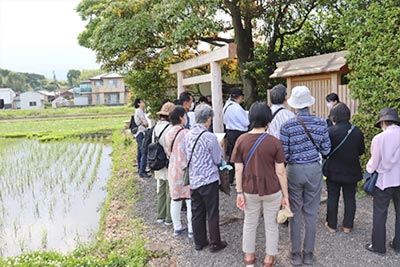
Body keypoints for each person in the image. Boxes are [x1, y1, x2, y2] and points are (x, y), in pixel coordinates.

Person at [231, 102, 290, 267]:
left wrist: (239, 192)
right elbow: (281, 172)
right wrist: (286, 196)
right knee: (271, 224)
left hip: (249, 189)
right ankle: (269, 259)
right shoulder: (274, 142)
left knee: (249, 223)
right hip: (272, 189)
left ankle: (249, 257)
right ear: (268, 120)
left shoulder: (241, 140)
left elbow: (238, 169)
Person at [280, 86, 331, 266]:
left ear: (294, 105)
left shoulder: (286, 126)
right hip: (313, 170)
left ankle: (295, 255)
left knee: (294, 212)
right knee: (311, 213)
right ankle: (308, 254)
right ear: (309, 103)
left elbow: (283, 155)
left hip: (294, 170)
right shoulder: (321, 123)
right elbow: (326, 149)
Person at [184, 104, 227, 253]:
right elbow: (217, 159)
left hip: (194, 179)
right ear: (208, 119)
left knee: (197, 211)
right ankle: (215, 243)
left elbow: (186, 155)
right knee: (212, 212)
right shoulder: (210, 137)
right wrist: (220, 147)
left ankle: (199, 242)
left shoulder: (187, 136)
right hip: (209, 179)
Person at [323, 103, 365, 234]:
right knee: (350, 198)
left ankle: (332, 225)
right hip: (351, 170)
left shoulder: (330, 132)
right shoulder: (357, 131)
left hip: (333, 171)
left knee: (332, 197)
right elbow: (361, 151)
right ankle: (347, 226)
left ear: (334, 117)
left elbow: (325, 152)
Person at [365, 107, 400, 255]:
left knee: (380, 213)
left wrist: (368, 169)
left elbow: (374, 163)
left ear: (383, 122)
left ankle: (378, 247)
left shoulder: (380, 138)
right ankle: (398, 244)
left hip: (384, 181)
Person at [164, 106, 193, 237]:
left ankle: (177, 227)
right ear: (181, 117)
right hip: (186, 169)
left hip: (173, 169)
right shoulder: (186, 133)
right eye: (185, 116)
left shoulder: (168, 133)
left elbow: (168, 151)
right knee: (189, 199)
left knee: (175, 199)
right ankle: (192, 229)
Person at [152, 102, 175, 225]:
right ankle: (169, 218)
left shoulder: (156, 126)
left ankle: (160, 215)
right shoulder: (170, 128)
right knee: (169, 190)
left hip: (157, 161)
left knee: (161, 189)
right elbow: (169, 147)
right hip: (166, 161)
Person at [223, 88, 250, 184]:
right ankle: (241, 177)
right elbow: (246, 122)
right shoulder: (237, 108)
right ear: (239, 97)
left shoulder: (226, 106)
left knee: (232, 156)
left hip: (230, 132)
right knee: (241, 156)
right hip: (239, 133)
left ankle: (230, 177)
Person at [133, 98, 151, 178]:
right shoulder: (139, 111)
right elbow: (145, 122)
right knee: (144, 152)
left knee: (140, 152)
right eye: (142, 102)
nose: (144, 103)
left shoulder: (138, 111)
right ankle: (142, 171)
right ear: (139, 103)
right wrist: (146, 124)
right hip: (141, 132)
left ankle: (140, 168)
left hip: (138, 133)